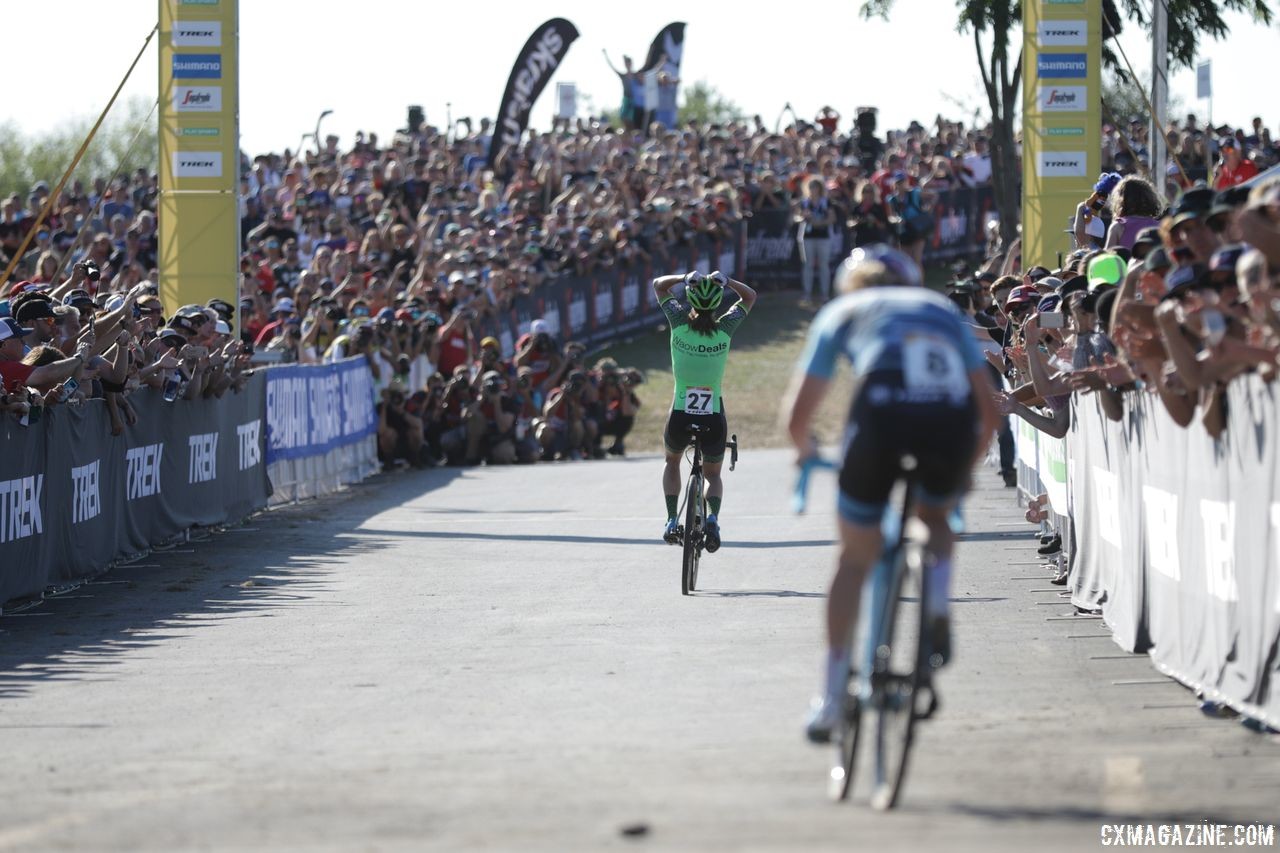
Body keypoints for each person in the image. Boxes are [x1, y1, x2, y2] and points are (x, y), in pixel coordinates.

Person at [781, 245, 998, 742]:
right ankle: (938, 600)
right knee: (935, 518)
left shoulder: (843, 310)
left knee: (854, 559)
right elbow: (989, 412)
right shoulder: (940, 309)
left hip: (881, 412)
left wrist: (804, 450)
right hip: (948, 419)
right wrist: (964, 469)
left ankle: (831, 698)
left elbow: (798, 415)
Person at [653, 270, 757, 552]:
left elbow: (658, 286)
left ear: (690, 301)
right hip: (712, 416)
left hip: (680, 414)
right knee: (712, 475)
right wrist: (727, 281)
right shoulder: (725, 329)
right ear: (716, 305)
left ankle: (672, 519)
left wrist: (685, 276)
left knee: (672, 461)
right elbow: (750, 296)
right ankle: (712, 518)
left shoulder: (678, 323)